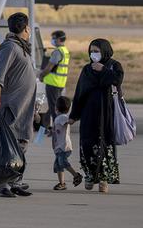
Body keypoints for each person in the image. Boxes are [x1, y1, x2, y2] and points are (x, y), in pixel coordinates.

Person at [0, 12, 37, 198]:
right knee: (7, 146)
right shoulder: (10, 47)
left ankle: (15, 181)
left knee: (21, 143)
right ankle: (1, 185)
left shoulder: (22, 47)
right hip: (11, 106)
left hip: (23, 107)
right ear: (26, 28)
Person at [69, 38, 124, 193]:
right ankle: (90, 175)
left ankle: (104, 179)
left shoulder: (114, 66)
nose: (93, 54)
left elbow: (117, 80)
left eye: (97, 51)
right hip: (88, 113)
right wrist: (74, 114)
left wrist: (103, 70)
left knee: (105, 144)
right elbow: (79, 92)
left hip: (107, 112)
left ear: (105, 51)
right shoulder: (87, 69)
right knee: (87, 144)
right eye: (91, 51)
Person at [51, 96, 83, 191]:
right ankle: (62, 183)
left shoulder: (62, 117)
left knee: (62, 162)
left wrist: (73, 119)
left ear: (56, 108)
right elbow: (55, 130)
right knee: (58, 166)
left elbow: (68, 122)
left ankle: (76, 175)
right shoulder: (58, 118)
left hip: (64, 147)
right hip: (59, 147)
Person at [40, 30, 70, 129]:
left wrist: (41, 76)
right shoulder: (65, 51)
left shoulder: (57, 52)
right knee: (53, 105)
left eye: (53, 38)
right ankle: (46, 124)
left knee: (54, 106)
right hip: (60, 83)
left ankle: (57, 128)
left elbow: (49, 67)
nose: (52, 40)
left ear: (58, 39)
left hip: (53, 83)